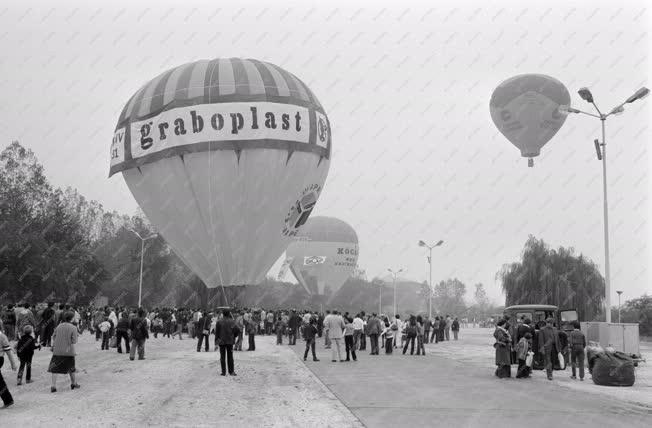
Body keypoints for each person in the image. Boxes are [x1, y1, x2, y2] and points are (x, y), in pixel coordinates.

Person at [49, 311, 80, 393]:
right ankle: (73, 383)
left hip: (57, 350)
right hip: (68, 351)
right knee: (71, 367)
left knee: (54, 369)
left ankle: (53, 385)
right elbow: (74, 341)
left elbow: (53, 336)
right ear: (72, 318)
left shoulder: (59, 326)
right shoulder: (73, 327)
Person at [215, 310, 240, 376]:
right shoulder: (232, 321)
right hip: (230, 341)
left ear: (222, 314)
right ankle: (231, 372)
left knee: (222, 357)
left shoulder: (219, 321)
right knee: (230, 357)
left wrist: (216, 343)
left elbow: (216, 333)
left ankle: (223, 372)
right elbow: (237, 330)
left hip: (221, 341)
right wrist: (234, 336)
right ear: (229, 314)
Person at [0, 319, 17, 408]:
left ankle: (8, 400)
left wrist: (13, 364)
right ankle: (8, 400)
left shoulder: (2, 336)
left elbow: (9, 352)